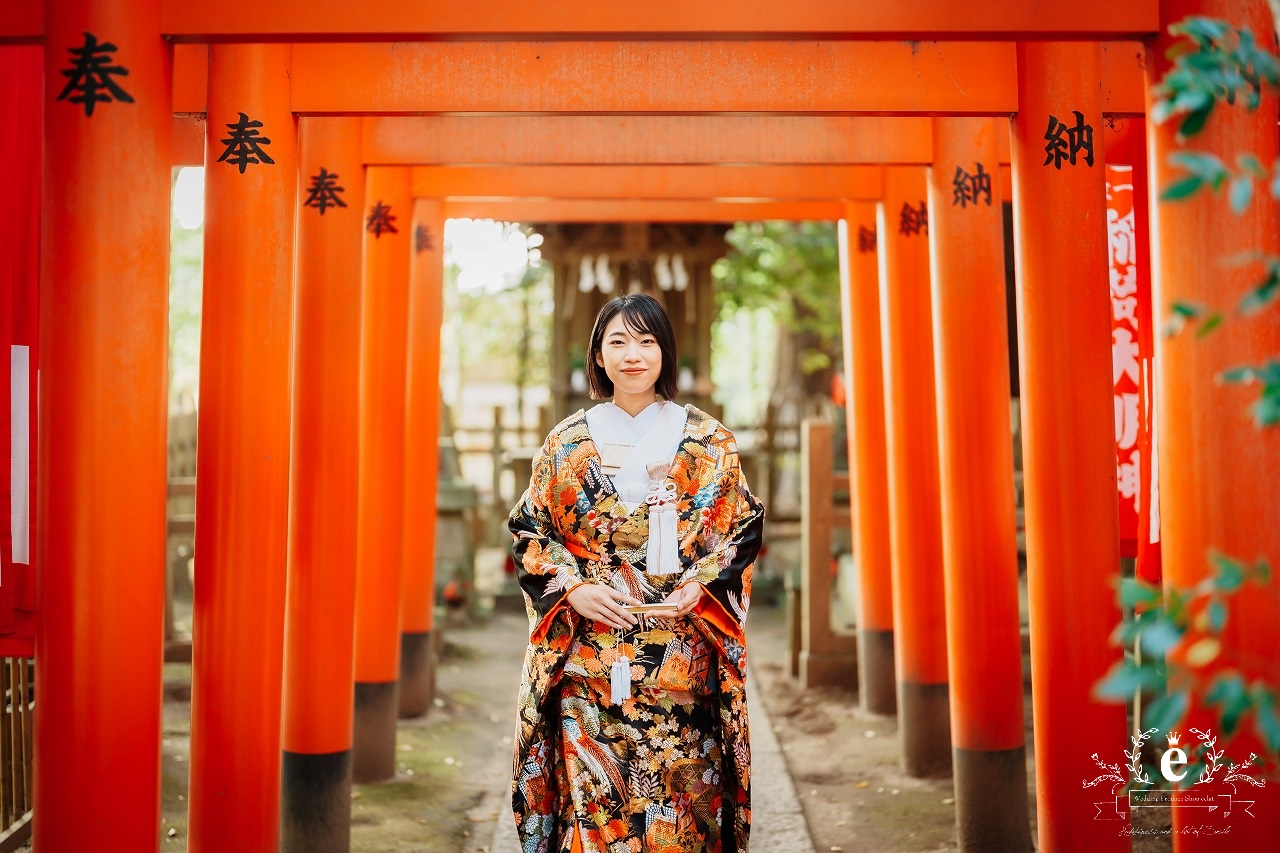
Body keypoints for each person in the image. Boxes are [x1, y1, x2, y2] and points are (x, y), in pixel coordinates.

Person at [508, 292, 765, 853]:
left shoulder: (708, 440)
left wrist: (700, 586)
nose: (633, 355)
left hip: (680, 657)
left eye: (647, 341)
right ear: (597, 356)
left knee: (681, 804)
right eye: (618, 341)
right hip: (590, 656)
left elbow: (741, 530)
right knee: (595, 805)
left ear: (665, 353)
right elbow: (531, 530)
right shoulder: (566, 442)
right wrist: (572, 588)